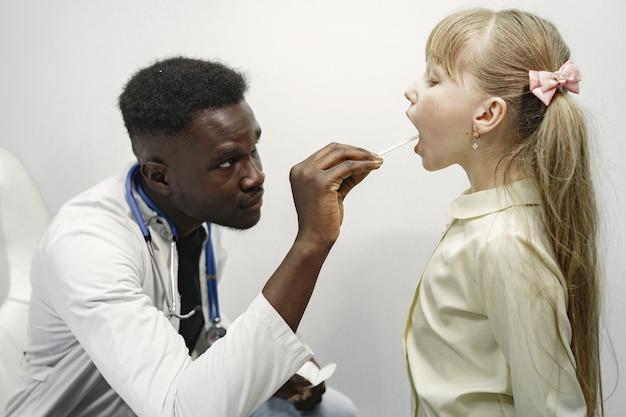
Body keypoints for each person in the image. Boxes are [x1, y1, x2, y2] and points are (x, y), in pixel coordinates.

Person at [5, 57, 383, 417]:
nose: (255, 175)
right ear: (159, 176)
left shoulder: (195, 218)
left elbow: (185, 325)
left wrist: (272, 367)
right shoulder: (88, 246)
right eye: (226, 162)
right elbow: (180, 411)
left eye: (253, 149)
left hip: (163, 399)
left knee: (332, 409)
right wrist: (311, 242)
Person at [402, 8, 602, 417]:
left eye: (433, 78)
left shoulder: (503, 242)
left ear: (487, 115)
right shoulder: (485, 226)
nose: (412, 90)